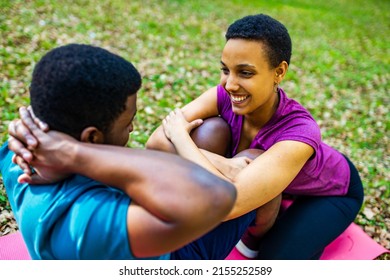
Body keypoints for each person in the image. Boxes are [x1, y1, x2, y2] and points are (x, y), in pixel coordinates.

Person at [1, 43, 256, 260]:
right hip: (171, 256)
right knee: (254, 164)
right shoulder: (86, 220)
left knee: (211, 133)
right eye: (128, 122)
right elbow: (217, 195)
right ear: (89, 137)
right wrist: (73, 153)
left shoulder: (15, 155)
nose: (133, 127)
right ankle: (253, 249)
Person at [146, 14, 364, 259]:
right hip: (278, 177)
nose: (230, 84)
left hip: (334, 191)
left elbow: (231, 204)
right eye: (225, 70)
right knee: (211, 130)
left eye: (245, 73)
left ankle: (258, 236)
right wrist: (227, 166)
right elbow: (154, 144)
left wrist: (180, 136)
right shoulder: (222, 96)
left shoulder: (300, 131)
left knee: (271, 262)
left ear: (279, 72)